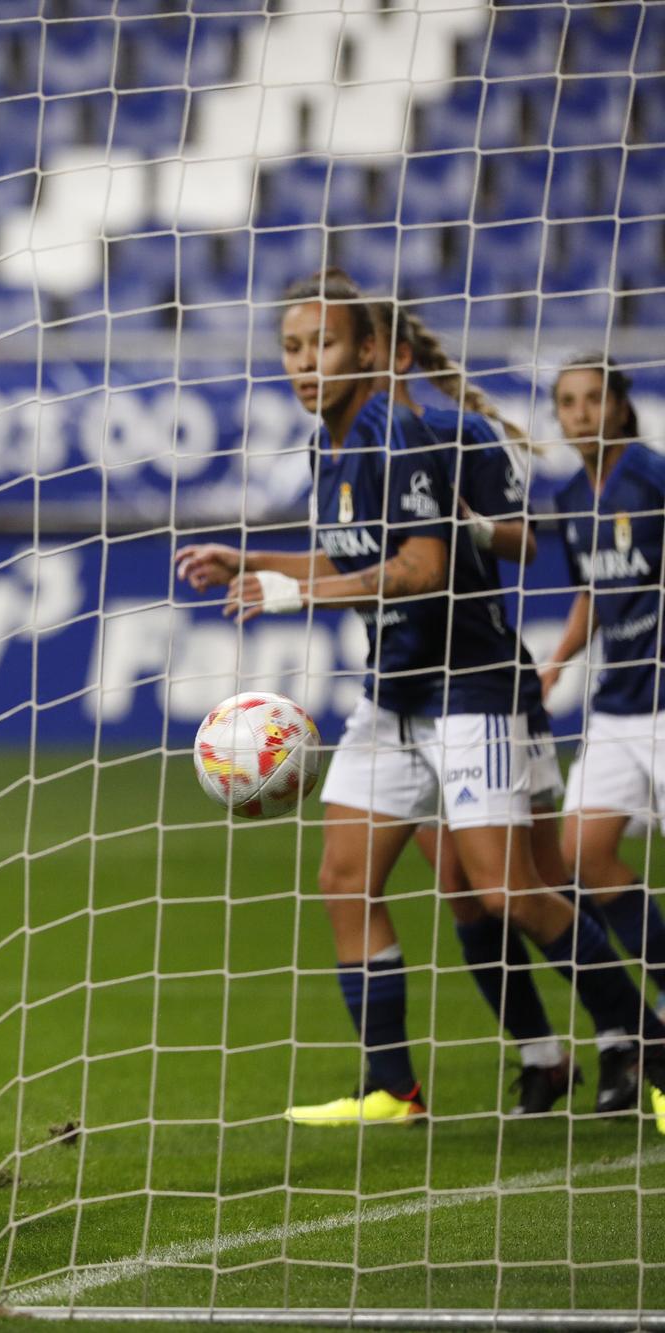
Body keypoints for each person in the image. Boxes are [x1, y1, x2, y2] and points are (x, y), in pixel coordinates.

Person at [174, 269, 665, 1128]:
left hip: (473, 691)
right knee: (344, 876)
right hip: (394, 693)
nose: (304, 363)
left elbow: (420, 571)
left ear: (368, 350)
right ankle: (394, 1086)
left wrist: (288, 596)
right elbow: (351, 559)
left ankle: (640, 1034)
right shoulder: (330, 445)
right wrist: (256, 561)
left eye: (321, 344)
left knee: (508, 890)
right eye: (291, 347)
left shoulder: (401, 435)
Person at [370, 302, 579, 1115]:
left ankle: (632, 1035)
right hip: (411, 688)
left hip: (486, 680)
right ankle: (542, 1054)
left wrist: (465, 524)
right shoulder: (351, 450)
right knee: (462, 889)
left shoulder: (465, 435)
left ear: (391, 354)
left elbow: (525, 542)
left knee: (533, 883)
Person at [537, 352, 665, 1114]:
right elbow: (592, 589)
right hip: (617, 706)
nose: (580, 412)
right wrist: (556, 664)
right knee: (576, 858)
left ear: (619, 406)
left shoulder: (651, 475)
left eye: (593, 398)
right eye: (567, 401)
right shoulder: (567, 498)